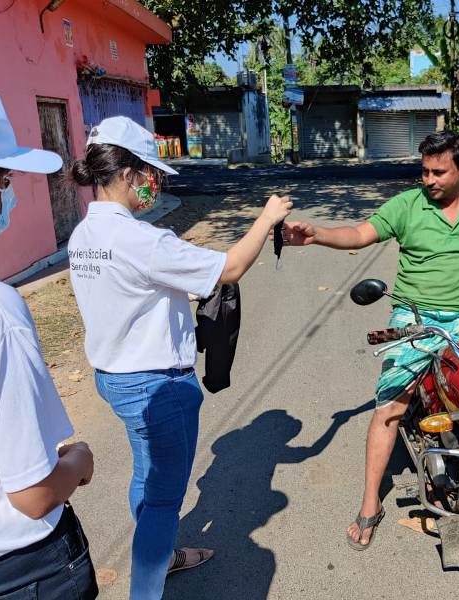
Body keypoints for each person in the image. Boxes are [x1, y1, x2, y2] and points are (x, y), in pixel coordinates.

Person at [66, 116, 291, 599]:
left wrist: (173, 299)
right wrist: (266, 219)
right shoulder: (142, 240)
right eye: (151, 173)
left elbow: (126, 293)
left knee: (146, 475)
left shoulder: (85, 236)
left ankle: (164, 556)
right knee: (165, 500)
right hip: (157, 385)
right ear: (127, 174)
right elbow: (230, 267)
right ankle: (148, 585)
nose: (156, 183)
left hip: (116, 378)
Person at [281, 130, 459, 549]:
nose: (428, 180)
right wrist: (316, 234)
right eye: (424, 171)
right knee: (389, 407)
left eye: (438, 172)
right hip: (416, 315)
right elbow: (359, 233)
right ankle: (370, 503)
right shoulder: (408, 206)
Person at [0, 83, 97, 598]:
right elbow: (34, 494)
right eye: (4, 179)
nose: (8, 192)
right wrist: (78, 461)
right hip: (11, 570)